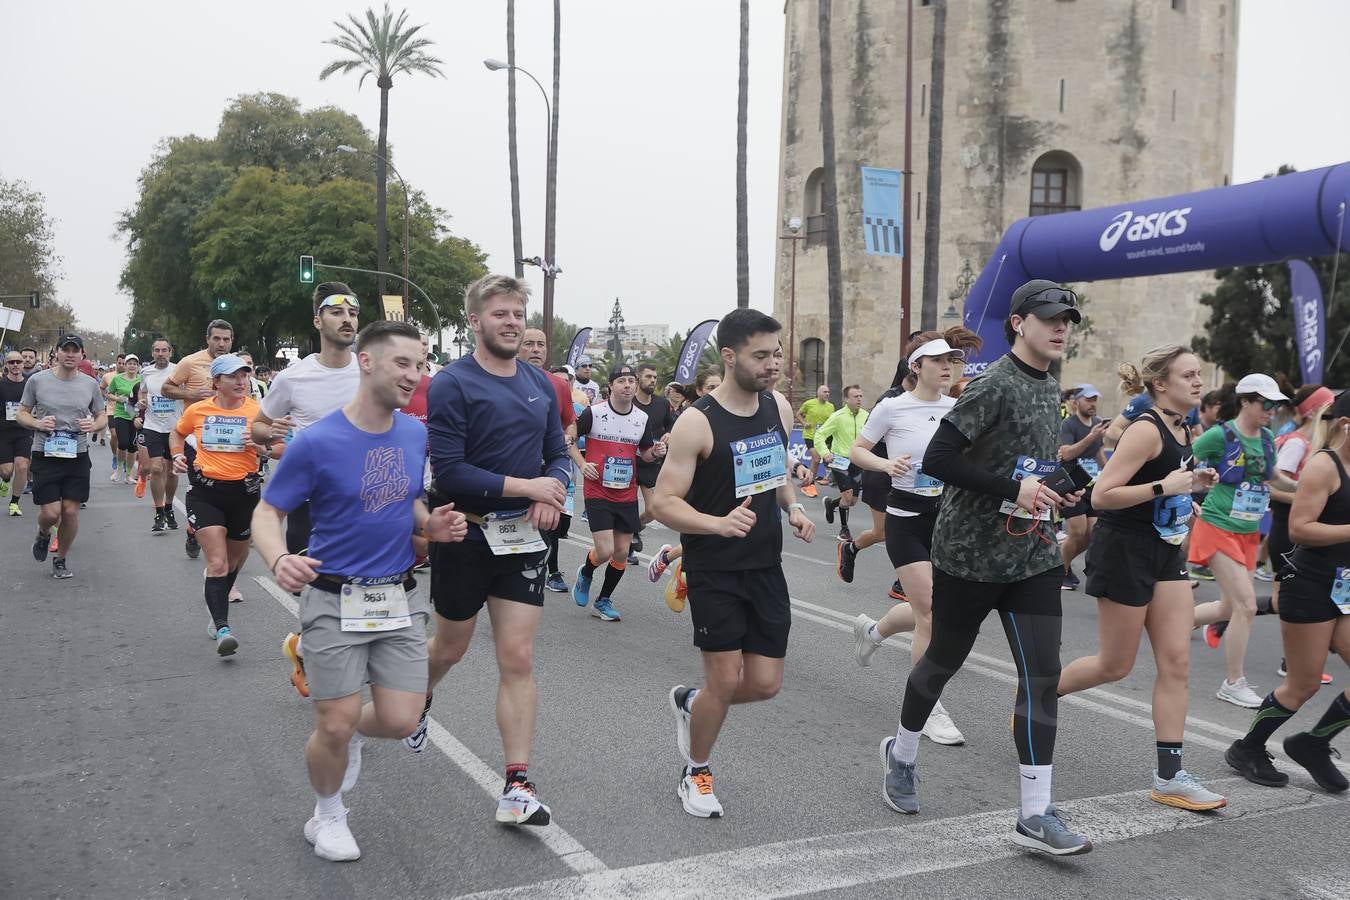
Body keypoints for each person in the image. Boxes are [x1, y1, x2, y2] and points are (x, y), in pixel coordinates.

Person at [880, 280, 1093, 855]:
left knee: (1042, 678)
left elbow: (1033, 467)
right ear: (1019, 322)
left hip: (1031, 555)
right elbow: (938, 458)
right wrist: (1014, 488)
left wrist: (1059, 491)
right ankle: (901, 752)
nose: (1060, 329)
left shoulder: (1051, 387)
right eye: (1050, 318)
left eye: (1067, 321)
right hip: (969, 557)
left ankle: (1034, 813)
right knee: (941, 662)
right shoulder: (993, 384)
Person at [252, 320, 469, 861]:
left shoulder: (414, 433)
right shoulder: (316, 441)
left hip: (397, 594)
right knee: (336, 722)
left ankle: (345, 737)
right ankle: (327, 815)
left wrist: (429, 526)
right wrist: (278, 558)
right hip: (331, 595)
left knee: (400, 718)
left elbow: (405, 500)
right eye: (403, 363)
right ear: (366, 363)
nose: (413, 375)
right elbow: (267, 512)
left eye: (420, 365)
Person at [408, 274, 570, 830]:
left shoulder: (540, 384)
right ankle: (421, 695)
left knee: (518, 657)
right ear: (474, 321)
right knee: (451, 646)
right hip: (464, 532)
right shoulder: (452, 383)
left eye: (518, 313)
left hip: (522, 538)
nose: (511, 322)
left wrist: (555, 490)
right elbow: (451, 470)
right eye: (499, 313)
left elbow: (558, 453)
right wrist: (530, 488)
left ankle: (517, 784)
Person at [651, 308, 815, 818]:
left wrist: (794, 506)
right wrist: (717, 524)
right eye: (761, 355)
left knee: (765, 684)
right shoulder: (697, 422)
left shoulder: (779, 408)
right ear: (729, 356)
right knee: (724, 681)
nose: (774, 365)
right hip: (714, 568)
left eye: (777, 354)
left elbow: (775, 471)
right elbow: (662, 502)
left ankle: (693, 703)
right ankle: (696, 771)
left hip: (765, 564)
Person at [1057, 346, 1227, 811]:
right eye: (1188, 375)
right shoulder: (1145, 430)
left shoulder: (1184, 427)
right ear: (1160, 384)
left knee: (1177, 663)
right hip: (1124, 551)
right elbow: (1103, 496)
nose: (1197, 382)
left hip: (1165, 551)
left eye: (1198, 374)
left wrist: (1187, 491)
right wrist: (1163, 488)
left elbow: (1166, 484)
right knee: (1116, 665)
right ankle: (1039, 690)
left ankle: (1169, 776)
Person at [846, 334, 971, 747]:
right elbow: (858, 450)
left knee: (928, 610)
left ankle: (874, 632)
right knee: (932, 612)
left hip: (946, 519)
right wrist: (886, 463)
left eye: (952, 360)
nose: (947, 366)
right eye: (938, 361)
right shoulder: (893, 408)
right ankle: (930, 705)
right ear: (916, 367)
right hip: (906, 519)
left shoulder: (956, 409)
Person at [1224, 388, 1350, 795]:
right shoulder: (1324, 466)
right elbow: (1300, 529)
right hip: (1308, 583)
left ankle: (1313, 744)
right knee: (1304, 683)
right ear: (1346, 425)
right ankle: (1248, 748)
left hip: (1344, 585)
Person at [1189, 375, 1297, 708]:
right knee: (1246, 606)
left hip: (1249, 532)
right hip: (1217, 525)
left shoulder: (1266, 437)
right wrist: (1183, 495)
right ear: (1246, 402)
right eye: (1266, 404)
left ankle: (1170, 626)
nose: (1271, 410)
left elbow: (1274, 477)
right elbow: (1182, 462)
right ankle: (1233, 682)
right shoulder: (1219, 436)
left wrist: (1311, 486)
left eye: (1275, 405)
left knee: (1227, 607)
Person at [172, 354, 262, 656]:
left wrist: (261, 445)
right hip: (206, 493)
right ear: (216, 382)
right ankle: (223, 626)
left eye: (244, 375)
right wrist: (176, 455)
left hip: (245, 494)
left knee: (235, 561)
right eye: (233, 376)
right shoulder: (199, 410)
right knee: (218, 562)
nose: (241, 381)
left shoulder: (258, 412)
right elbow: (177, 432)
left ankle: (216, 594)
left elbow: (279, 449)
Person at [572, 364, 662, 621]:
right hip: (597, 489)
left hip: (625, 491)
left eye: (631, 381)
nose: (628, 386)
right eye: (622, 381)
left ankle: (602, 601)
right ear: (611, 385)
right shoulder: (594, 413)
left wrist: (654, 453)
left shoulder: (641, 419)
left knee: (622, 552)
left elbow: (644, 452)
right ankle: (586, 572)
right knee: (605, 551)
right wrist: (582, 463)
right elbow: (568, 439)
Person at [16, 335, 105, 577]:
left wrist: (94, 426)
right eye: (65, 350)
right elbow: (21, 413)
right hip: (45, 452)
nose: (70, 354)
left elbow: (102, 415)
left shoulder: (90, 384)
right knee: (51, 513)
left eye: (75, 350)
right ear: (56, 353)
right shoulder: (37, 381)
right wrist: (37, 422)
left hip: (77, 454)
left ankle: (61, 559)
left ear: (82, 355)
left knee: (70, 512)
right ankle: (43, 533)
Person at [518, 328, 578, 593]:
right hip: (512, 472)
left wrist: (566, 439)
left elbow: (571, 424)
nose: (535, 349)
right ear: (517, 347)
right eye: (529, 344)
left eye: (540, 344)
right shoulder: (501, 379)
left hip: (547, 467)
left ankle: (548, 572)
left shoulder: (558, 385)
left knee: (549, 525)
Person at [1056, 385, 1108, 590]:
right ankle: (1060, 572)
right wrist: (1091, 437)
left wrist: (1112, 473)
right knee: (1077, 532)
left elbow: (1099, 453)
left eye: (1095, 399)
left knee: (1092, 534)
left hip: (1093, 485)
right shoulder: (1068, 424)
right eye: (1088, 399)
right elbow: (1066, 454)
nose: (1093, 404)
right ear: (1076, 401)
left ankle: (1063, 564)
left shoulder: (1097, 423)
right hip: (1072, 484)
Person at [135, 339, 181, 533]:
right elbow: (142, 392)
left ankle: (169, 506)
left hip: (175, 427)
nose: (160, 353)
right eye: (157, 350)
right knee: (155, 468)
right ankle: (159, 510)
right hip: (153, 426)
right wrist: (142, 402)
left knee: (171, 471)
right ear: (152, 353)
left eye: (164, 350)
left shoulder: (179, 370)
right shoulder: (146, 372)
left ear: (170, 352)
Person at [632, 363, 675, 557]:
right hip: (629, 462)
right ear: (638, 378)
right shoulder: (629, 402)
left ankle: (633, 528)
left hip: (651, 461)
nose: (652, 380)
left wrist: (669, 434)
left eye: (655, 378)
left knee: (652, 510)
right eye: (648, 376)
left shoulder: (662, 404)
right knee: (627, 507)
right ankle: (628, 539)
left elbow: (673, 425)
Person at [815, 385, 868, 543]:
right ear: (846, 399)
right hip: (839, 461)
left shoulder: (866, 415)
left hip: (857, 461)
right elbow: (820, 435)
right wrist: (825, 453)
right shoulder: (838, 416)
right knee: (847, 495)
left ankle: (831, 505)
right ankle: (844, 530)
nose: (859, 399)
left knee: (852, 501)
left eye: (860, 396)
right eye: (855, 396)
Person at [2, 351, 34, 515]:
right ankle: (5, 480)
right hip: (4, 432)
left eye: (18, 362)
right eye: (11, 362)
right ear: (6, 365)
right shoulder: (1, 384)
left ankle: (14, 503)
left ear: (23, 364)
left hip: (24, 431)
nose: (15, 365)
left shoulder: (30, 384)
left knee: (22, 466)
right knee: (7, 470)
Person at [108, 353, 142, 486]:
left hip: (136, 415)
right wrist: (118, 398)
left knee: (133, 447)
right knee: (123, 443)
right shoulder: (117, 379)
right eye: (129, 363)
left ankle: (128, 475)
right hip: (121, 413)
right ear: (125, 365)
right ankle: (118, 469)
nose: (132, 366)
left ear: (138, 366)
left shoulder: (142, 379)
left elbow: (146, 394)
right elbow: (109, 394)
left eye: (134, 364)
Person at [797, 384, 835, 487]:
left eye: (828, 392)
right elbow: (798, 414)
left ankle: (809, 481)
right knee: (817, 458)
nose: (827, 394)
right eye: (824, 392)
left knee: (820, 459)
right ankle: (810, 482)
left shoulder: (831, 406)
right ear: (818, 393)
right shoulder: (809, 404)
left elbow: (832, 421)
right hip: (810, 436)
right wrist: (804, 423)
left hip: (823, 437)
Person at [99, 354, 124, 456]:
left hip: (126, 411)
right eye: (119, 363)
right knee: (114, 435)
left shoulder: (131, 376)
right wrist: (106, 395)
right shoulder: (107, 376)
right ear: (116, 363)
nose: (121, 365)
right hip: (112, 409)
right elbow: (101, 388)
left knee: (124, 438)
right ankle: (115, 455)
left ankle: (123, 457)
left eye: (124, 363)